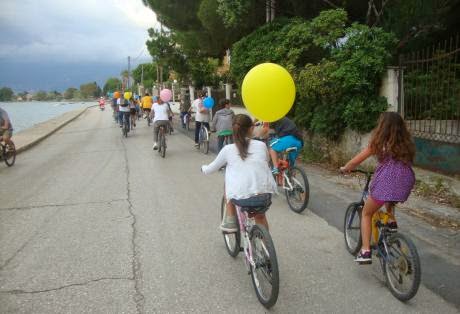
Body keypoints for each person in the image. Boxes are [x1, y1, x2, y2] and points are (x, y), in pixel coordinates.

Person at [340, 112, 416, 264]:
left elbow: (357, 160)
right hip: (406, 181)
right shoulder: (407, 144)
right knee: (391, 197)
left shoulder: (379, 143)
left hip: (386, 181)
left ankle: (365, 251)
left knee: (367, 213)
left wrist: (346, 168)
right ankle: (391, 221)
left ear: (382, 127)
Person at [201, 114, 277, 231]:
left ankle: (231, 220)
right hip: (265, 195)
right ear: (251, 129)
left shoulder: (227, 149)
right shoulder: (261, 145)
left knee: (228, 181)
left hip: (241, 197)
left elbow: (211, 168)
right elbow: (266, 161)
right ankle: (265, 245)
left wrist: (203, 168)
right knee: (260, 216)